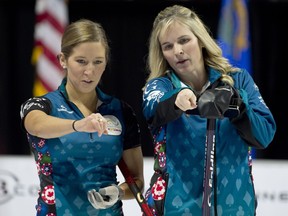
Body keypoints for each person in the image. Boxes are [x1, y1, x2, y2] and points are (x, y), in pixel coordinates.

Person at [142, 5, 276, 216]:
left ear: (201, 40)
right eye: (168, 46)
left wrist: (238, 108)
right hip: (176, 209)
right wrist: (177, 99)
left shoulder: (238, 79)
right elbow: (153, 109)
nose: (177, 51)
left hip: (236, 207)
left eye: (184, 40)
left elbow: (265, 135)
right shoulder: (160, 86)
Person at [20, 19, 144, 216]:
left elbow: (137, 182)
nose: (89, 71)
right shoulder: (42, 106)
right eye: (81, 61)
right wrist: (79, 125)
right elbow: (35, 125)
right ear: (62, 60)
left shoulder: (121, 111)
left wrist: (118, 192)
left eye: (98, 62)